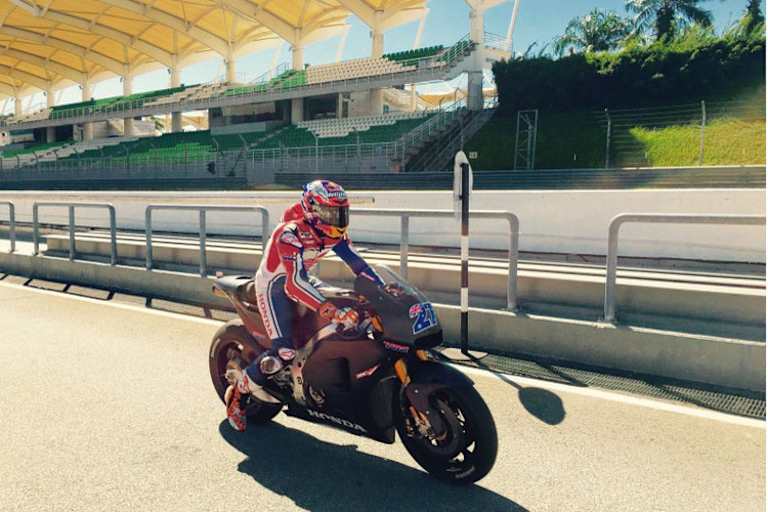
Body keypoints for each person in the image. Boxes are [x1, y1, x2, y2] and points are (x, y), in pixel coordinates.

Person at [225, 180, 383, 431]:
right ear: (313, 211)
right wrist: (331, 311)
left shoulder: (335, 234)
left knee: (350, 310)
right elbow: (293, 285)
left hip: (302, 279)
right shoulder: (289, 233)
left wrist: (383, 288)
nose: (338, 219)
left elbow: (358, 265)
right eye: (332, 213)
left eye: (342, 212)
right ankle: (239, 394)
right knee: (284, 352)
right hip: (274, 286)